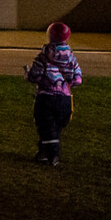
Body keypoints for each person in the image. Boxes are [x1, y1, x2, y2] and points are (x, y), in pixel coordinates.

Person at [25, 22, 83, 166]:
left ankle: (52, 155)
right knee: (54, 128)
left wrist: (28, 74)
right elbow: (77, 79)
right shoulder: (71, 58)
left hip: (46, 96)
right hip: (65, 99)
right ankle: (43, 153)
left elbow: (35, 76)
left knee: (45, 125)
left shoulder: (43, 57)